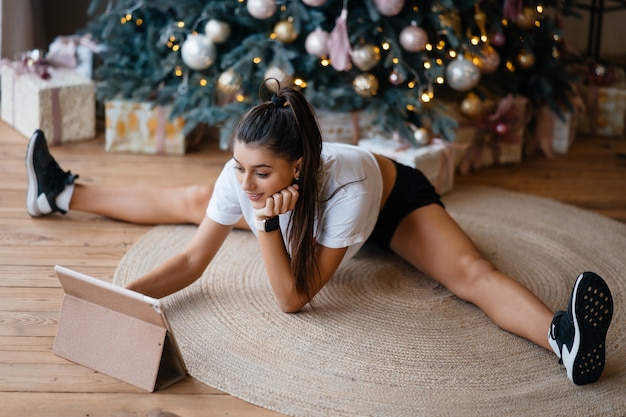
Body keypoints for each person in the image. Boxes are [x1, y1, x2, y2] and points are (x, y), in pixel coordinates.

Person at [25, 82, 613, 386]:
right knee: (188, 203)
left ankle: (562, 338)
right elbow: (191, 260)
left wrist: (268, 221)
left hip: (391, 203)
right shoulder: (244, 177)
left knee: (468, 273)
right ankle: (59, 192)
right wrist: (122, 300)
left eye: (261, 173)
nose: (246, 183)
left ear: (299, 165)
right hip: (311, 212)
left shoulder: (348, 188)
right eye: (239, 167)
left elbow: (293, 298)